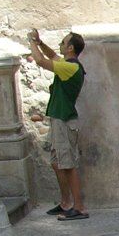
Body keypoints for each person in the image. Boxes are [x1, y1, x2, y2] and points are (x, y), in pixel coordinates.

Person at [28, 28, 89, 220]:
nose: (60, 46)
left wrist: (31, 41)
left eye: (63, 43)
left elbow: (40, 60)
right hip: (58, 120)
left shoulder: (70, 67)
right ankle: (66, 202)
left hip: (64, 121)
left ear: (70, 48)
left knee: (68, 165)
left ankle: (79, 207)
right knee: (57, 163)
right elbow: (52, 55)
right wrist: (40, 43)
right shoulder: (68, 64)